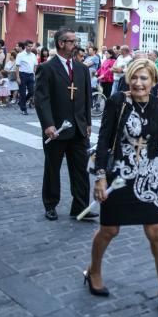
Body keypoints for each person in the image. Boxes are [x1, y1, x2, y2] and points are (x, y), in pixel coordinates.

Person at [87, 59, 158, 317]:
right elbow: (104, 139)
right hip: (118, 174)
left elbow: (153, 138)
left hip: (147, 176)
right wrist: (100, 177)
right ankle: (94, 271)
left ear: (153, 82)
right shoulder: (118, 101)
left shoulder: (156, 104)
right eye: (135, 78)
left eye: (144, 78)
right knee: (109, 230)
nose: (139, 83)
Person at [34, 27, 94, 221]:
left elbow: (86, 98)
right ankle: (51, 205)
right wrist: (48, 125)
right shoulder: (47, 68)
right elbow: (41, 99)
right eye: (72, 41)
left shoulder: (82, 69)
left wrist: (87, 122)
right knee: (52, 169)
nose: (76, 45)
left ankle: (80, 207)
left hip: (78, 129)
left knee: (80, 170)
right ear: (61, 43)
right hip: (57, 130)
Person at [15, 39, 37, 115]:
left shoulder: (33, 55)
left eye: (31, 46)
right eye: (28, 46)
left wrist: (35, 75)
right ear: (25, 46)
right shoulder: (20, 55)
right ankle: (24, 109)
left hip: (31, 75)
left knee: (32, 91)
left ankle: (21, 102)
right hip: (22, 75)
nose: (30, 48)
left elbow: (35, 66)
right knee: (23, 93)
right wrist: (17, 77)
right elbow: (17, 67)